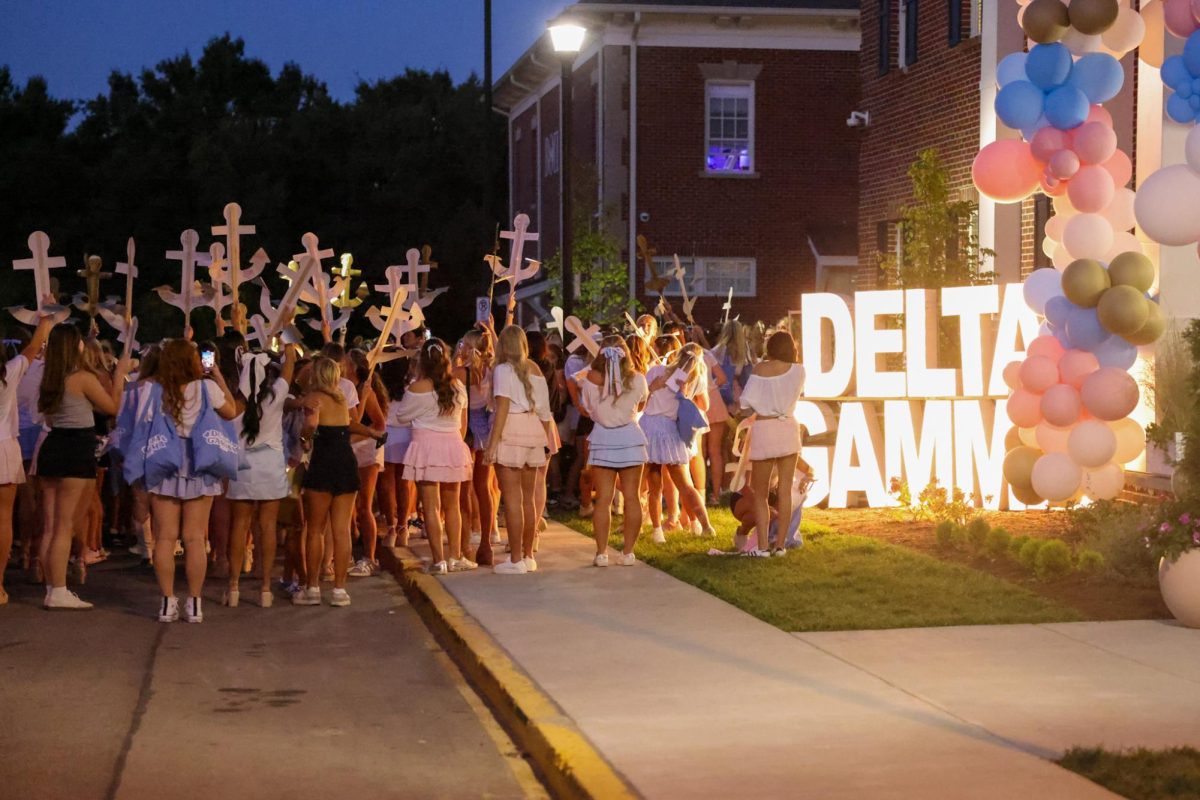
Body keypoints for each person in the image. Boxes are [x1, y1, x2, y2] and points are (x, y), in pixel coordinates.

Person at [140, 339, 236, 622]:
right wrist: (216, 374)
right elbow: (231, 411)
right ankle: (194, 603)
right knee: (195, 538)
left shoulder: (155, 390)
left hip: (164, 461)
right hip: (199, 461)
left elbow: (143, 426)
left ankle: (167, 602)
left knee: (165, 538)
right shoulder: (206, 388)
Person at [38, 322, 132, 610]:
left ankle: (51, 585)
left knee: (51, 525)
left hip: (53, 447)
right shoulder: (81, 378)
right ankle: (58, 590)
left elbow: (51, 419)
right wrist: (119, 376)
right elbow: (112, 407)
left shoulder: (51, 377)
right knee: (65, 525)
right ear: (74, 345)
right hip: (76, 448)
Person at [294, 356, 380, 607]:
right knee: (342, 529)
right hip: (345, 463)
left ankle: (312, 588)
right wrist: (372, 432)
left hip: (323, 463)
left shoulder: (314, 399)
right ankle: (340, 589)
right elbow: (349, 424)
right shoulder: (341, 399)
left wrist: (304, 437)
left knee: (316, 528)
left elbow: (310, 426)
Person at [224, 344, 298, 608]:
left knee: (239, 525)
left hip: (242, 466)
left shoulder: (235, 403)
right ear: (269, 374)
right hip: (270, 465)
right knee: (268, 526)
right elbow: (290, 362)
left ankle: (233, 587)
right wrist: (286, 341)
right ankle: (265, 588)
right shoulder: (276, 395)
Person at [395, 339, 474, 574]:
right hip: (452, 445)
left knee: (431, 506)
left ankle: (439, 561)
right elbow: (462, 423)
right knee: (452, 506)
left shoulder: (416, 388)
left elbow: (401, 416)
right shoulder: (458, 386)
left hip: (426, 447)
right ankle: (455, 556)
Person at [484, 326, 554, 575]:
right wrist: (543, 439)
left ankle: (515, 559)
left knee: (512, 499)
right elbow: (545, 412)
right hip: (533, 428)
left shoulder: (502, 369)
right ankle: (527, 555)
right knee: (528, 498)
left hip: (511, 430)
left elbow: (501, 407)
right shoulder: (535, 369)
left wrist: (492, 445)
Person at [579, 337, 648, 566]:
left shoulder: (591, 379)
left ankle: (601, 553)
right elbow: (640, 406)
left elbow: (588, 409)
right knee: (632, 497)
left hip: (603, 440)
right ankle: (628, 553)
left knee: (604, 500)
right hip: (630, 438)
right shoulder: (638, 379)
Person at [0, 314, 54, 605]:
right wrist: (45, 323)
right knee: (3, 519)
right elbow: (32, 348)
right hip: (5, 447)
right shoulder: (9, 373)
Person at [738, 330, 806, 557]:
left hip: (765, 428)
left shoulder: (760, 370)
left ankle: (764, 546)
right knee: (785, 490)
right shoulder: (799, 370)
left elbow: (745, 403)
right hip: (788, 428)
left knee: (761, 493)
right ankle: (781, 546)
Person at [640, 338, 715, 542]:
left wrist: (653, 389)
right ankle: (704, 524)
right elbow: (705, 405)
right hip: (671, 430)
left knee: (654, 484)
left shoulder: (657, 371)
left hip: (650, 428)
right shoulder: (696, 379)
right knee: (684, 483)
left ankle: (657, 531)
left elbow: (641, 401)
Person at [346, 348, 388, 577]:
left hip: (367, 449)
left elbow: (380, 424)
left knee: (364, 505)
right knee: (349, 508)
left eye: (345, 362)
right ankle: (349, 553)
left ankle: (369, 558)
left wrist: (356, 436)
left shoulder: (365, 391)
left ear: (353, 367)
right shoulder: (345, 388)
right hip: (349, 448)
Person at [379, 356, 415, 547]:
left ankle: (391, 528)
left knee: (386, 485)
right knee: (404, 484)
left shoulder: (381, 386)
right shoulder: (412, 386)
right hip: (406, 435)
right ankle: (403, 527)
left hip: (386, 435)